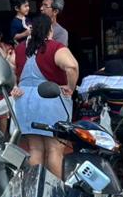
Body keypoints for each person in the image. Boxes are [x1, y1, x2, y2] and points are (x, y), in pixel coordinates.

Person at [12, 13, 79, 178]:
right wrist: (70, 87)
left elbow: (10, 69)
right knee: (55, 150)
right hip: (50, 100)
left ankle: (35, 191)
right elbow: (72, 66)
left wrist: (15, 86)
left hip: (25, 102)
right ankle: (57, 194)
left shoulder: (20, 48)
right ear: (50, 29)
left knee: (35, 150)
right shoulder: (56, 47)